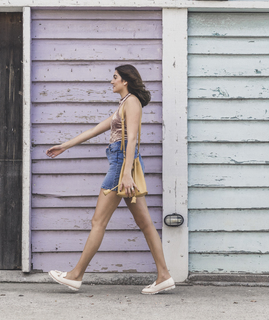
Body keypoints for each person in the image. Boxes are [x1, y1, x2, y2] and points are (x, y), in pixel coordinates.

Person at [46, 65, 174, 295]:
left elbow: (132, 138)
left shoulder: (132, 102)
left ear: (125, 81)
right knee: (144, 223)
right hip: (123, 165)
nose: (111, 81)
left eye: (115, 77)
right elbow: (96, 130)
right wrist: (64, 146)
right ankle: (164, 276)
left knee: (98, 222)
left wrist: (125, 173)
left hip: (121, 165)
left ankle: (75, 275)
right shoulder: (123, 104)